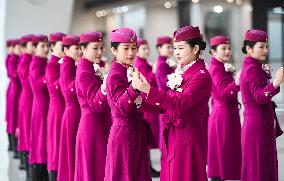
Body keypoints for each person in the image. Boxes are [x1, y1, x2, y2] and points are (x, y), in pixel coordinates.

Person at [133, 25, 212, 181]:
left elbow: (179, 103)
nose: (176, 52)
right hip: (174, 135)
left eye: (180, 48)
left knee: (183, 175)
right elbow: (165, 105)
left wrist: (149, 90)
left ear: (195, 48)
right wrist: (140, 101)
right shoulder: (183, 71)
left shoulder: (200, 75)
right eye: (174, 48)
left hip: (187, 137)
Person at [240, 29, 284, 181]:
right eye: (261, 46)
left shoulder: (253, 66)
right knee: (260, 168)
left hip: (258, 123)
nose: (266, 50)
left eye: (267, 46)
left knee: (260, 166)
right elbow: (260, 97)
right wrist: (276, 82)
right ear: (249, 48)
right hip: (257, 125)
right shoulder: (252, 68)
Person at [74, 31, 111, 181]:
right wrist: (104, 87)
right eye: (95, 48)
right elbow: (96, 104)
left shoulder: (92, 67)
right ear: (83, 49)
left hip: (100, 125)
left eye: (101, 47)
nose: (100, 52)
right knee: (95, 171)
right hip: (93, 128)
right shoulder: (84, 71)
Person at [207, 36, 242, 181]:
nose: (227, 51)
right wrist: (237, 82)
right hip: (223, 115)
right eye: (223, 48)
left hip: (226, 112)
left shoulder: (221, 65)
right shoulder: (216, 68)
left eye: (229, 48)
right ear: (213, 52)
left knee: (225, 151)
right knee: (223, 150)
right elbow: (224, 93)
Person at [134, 38, 160, 177]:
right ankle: (148, 166)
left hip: (148, 101)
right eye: (143, 49)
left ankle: (149, 166)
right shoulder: (140, 64)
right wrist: (154, 72)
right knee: (146, 136)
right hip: (145, 102)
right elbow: (147, 83)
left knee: (147, 137)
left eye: (147, 48)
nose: (147, 51)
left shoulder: (144, 63)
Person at [57, 35, 82, 181]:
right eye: (76, 48)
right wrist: (83, 76)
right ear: (66, 50)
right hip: (72, 113)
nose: (79, 51)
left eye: (80, 48)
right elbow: (68, 88)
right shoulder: (67, 64)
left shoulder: (72, 63)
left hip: (75, 112)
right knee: (72, 151)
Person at [29, 34, 50, 181]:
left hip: (47, 105)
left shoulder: (44, 62)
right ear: (35, 48)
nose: (46, 49)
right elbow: (41, 83)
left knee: (44, 141)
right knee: (40, 142)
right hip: (41, 107)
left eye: (47, 46)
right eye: (42, 46)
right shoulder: (36, 64)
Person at [46, 32, 66, 181]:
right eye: (62, 46)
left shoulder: (63, 64)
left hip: (64, 109)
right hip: (57, 110)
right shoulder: (52, 65)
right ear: (52, 47)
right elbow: (56, 87)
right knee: (56, 146)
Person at [17, 34, 34, 180]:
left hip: (32, 99)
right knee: (28, 132)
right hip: (29, 99)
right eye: (33, 46)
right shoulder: (27, 62)